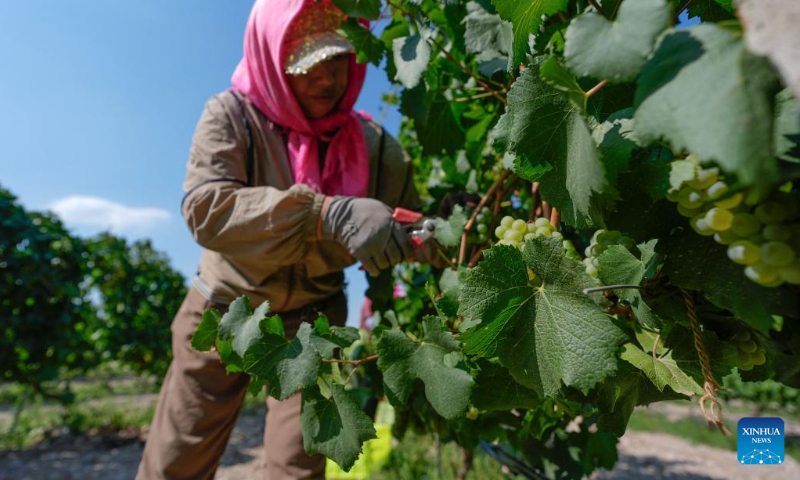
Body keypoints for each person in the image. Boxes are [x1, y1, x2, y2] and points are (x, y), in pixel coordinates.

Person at [136, 1, 429, 478]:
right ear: (271, 59)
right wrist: (324, 214)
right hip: (222, 310)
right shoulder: (230, 115)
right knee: (177, 460)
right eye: (307, 64)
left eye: (339, 62)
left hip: (316, 324)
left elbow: (409, 225)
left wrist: (437, 232)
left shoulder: (376, 145)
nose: (328, 79)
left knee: (299, 466)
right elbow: (206, 209)